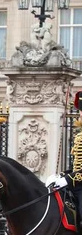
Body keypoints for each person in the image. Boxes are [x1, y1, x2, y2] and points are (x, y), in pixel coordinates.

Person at [47, 91, 82, 220]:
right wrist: (60, 176)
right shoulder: (79, 136)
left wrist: (66, 180)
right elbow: (76, 167)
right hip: (75, 184)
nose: (80, 114)